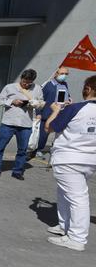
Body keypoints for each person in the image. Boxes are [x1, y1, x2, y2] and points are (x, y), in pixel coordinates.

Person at [43, 75, 96, 251]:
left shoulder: (75, 108)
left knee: (77, 197)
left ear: (88, 88)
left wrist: (57, 110)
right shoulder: (75, 108)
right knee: (65, 193)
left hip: (69, 158)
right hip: (89, 159)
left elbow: (49, 127)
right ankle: (64, 224)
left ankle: (77, 238)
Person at [0, 69, 44, 180]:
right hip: (8, 123)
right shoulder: (9, 87)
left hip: (25, 124)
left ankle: (17, 171)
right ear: (21, 78)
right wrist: (12, 101)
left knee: (22, 150)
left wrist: (35, 104)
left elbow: (42, 103)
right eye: (24, 81)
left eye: (29, 82)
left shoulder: (37, 89)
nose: (26, 84)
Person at [35, 67, 70, 159]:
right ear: (56, 74)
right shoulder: (48, 85)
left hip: (61, 113)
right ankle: (37, 149)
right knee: (44, 134)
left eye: (66, 74)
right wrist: (38, 112)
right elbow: (40, 99)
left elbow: (67, 95)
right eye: (62, 73)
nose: (64, 76)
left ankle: (56, 148)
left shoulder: (65, 84)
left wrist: (69, 100)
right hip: (48, 113)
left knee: (59, 133)